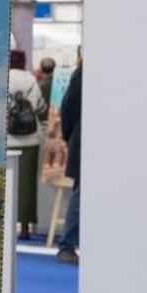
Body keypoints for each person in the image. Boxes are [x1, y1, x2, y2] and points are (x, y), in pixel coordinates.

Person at [6, 49, 45, 241]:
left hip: (7, 140)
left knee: (5, 181)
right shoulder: (31, 81)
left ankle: (5, 223)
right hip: (30, 140)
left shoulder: (3, 78)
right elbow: (40, 107)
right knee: (27, 186)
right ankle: (25, 227)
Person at [57, 62, 82, 265]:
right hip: (84, 142)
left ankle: (69, 244)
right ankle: (67, 245)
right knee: (80, 194)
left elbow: (68, 107)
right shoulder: (84, 73)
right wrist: (70, 136)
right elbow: (69, 107)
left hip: (82, 139)